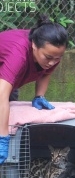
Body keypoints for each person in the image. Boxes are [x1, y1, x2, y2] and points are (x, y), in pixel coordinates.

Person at [0, 14, 68, 164]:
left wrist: (39, 96)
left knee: (8, 121)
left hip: (7, 82)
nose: (52, 62)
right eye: (48, 57)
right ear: (34, 46)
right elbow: (1, 96)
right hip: (3, 82)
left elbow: (45, 73)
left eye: (57, 58)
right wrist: (2, 139)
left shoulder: (51, 55)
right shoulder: (18, 53)